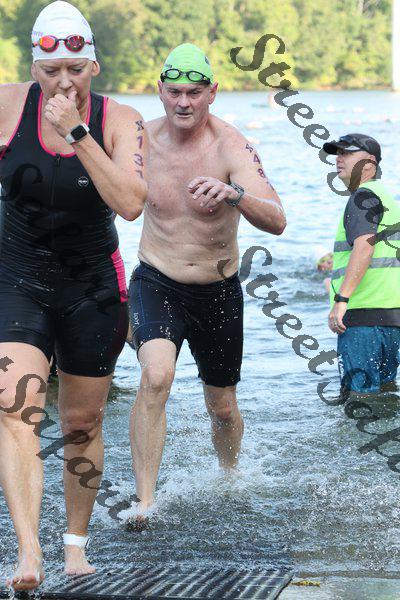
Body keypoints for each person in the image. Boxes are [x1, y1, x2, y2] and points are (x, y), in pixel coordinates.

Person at [0, 0, 147, 591]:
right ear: (33, 67)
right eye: (51, 71)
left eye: (76, 70)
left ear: (94, 65)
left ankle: (75, 544)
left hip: (92, 287)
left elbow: (131, 203)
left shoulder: (120, 119)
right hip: (16, 278)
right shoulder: (8, 106)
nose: (64, 83)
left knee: (82, 421)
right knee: (14, 408)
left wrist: (77, 134)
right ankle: (28, 552)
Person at [128, 43, 286, 522]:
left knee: (222, 406)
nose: (183, 102)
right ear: (159, 90)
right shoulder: (137, 141)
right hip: (156, 279)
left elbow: (278, 220)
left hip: (218, 290)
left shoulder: (231, 146)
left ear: (212, 92)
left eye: (194, 93)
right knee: (157, 375)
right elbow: (101, 195)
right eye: (174, 91)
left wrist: (235, 194)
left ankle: (230, 476)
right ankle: (144, 503)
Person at [323, 133, 400, 397]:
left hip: (362, 318)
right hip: (392, 318)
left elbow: (365, 247)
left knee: (359, 400)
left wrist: (341, 299)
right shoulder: (387, 198)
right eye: (337, 153)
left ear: (370, 162)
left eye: (347, 153)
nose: (338, 158)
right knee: (386, 395)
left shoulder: (362, 197)